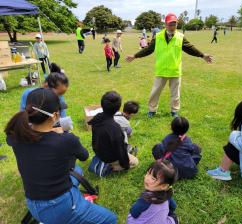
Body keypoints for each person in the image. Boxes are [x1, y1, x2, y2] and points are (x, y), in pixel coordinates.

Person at [5, 88, 117, 224]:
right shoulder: (66, 140)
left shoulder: (16, 136)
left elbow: (38, 140)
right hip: (57, 206)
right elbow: (84, 155)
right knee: (111, 219)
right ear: (55, 115)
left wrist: (50, 132)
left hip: (33, 203)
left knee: (77, 170)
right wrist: (61, 134)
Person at [126, 13, 213, 118]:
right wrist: (135, 56)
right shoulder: (158, 37)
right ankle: (152, 110)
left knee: (175, 94)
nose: (173, 26)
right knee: (155, 92)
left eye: (174, 24)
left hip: (174, 70)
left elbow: (190, 48)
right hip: (161, 69)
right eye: (170, 24)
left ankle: (174, 111)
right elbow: (149, 49)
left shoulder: (180, 37)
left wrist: (202, 55)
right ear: (165, 24)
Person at [88, 91, 139, 172]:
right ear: (118, 108)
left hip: (97, 151)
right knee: (135, 161)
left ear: (102, 105)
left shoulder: (97, 118)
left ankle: (105, 162)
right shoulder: (115, 129)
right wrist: (126, 165)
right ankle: (109, 168)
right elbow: (120, 151)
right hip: (108, 157)